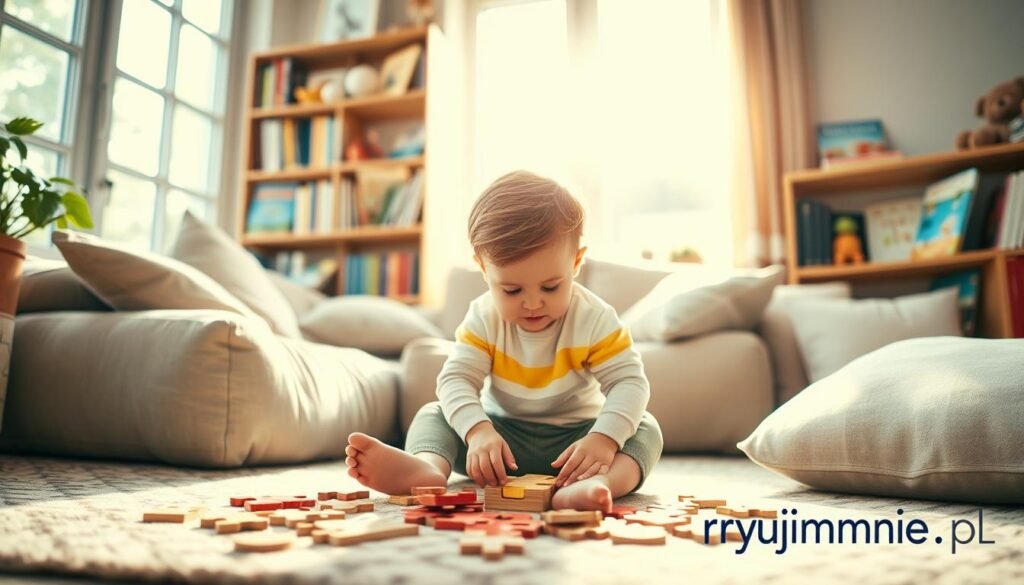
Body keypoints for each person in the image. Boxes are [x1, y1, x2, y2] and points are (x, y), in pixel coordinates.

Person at [345, 170, 663, 512]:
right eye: (511, 290)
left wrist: (602, 440)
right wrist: (478, 432)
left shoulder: (595, 318)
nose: (532, 303)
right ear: (483, 269)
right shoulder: (483, 317)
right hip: (501, 445)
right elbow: (456, 380)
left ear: (576, 262)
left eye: (551, 287)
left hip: (576, 444)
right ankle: (428, 469)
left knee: (645, 428)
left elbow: (629, 382)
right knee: (434, 414)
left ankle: (598, 484)